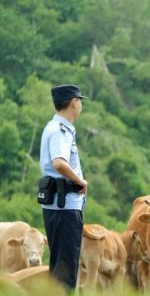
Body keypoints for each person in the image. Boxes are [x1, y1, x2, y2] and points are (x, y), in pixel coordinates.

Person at [39, 84, 88, 290]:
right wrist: (80, 180)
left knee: (58, 265)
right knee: (66, 268)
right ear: (74, 102)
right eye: (80, 101)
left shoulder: (53, 127)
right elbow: (59, 162)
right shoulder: (60, 130)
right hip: (65, 207)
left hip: (57, 205)